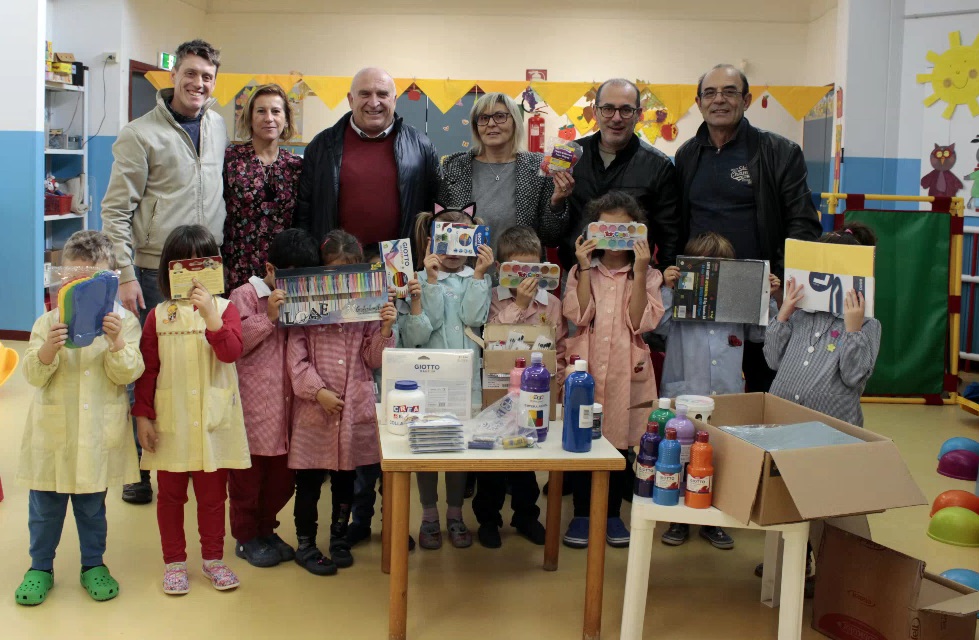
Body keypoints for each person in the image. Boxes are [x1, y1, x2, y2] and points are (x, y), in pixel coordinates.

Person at [101, 39, 228, 505]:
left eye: (207, 77)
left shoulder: (216, 125)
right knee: (151, 365)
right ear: (173, 76)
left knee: (198, 359)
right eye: (191, 74)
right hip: (154, 268)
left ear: (215, 81)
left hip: (206, 266)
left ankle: (190, 451)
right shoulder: (139, 133)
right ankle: (140, 466)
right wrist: (127, 273)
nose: (198, 83)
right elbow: (115, 211)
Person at [674, 63, 822, 393]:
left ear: (747, 100)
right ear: (698, 103)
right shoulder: (686, 155)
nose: (719, 100)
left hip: (758, 286)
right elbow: (677, 222)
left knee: (762, 384)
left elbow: (804, 224)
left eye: (729, 92)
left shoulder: (780, 152)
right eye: (709, 93)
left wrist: (781, 283)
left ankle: (758, 446)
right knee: (703, 389)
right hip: (703, 285)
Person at [15, 231, 144, 606]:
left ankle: (93, 564)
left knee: (92, 507)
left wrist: (116, 343)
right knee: (45, 506)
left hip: (96, 435)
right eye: (73, 281)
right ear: (63, 280)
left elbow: (129, 374)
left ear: (110, 281)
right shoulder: (47, 322)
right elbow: (33, 377)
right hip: (52, 433)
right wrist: (46, 351)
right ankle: (40, 566)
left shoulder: (124, 324)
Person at [133, 225, 250, 595]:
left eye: (202, 267)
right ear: (169, 271)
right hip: (171, 421)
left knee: (214, 497)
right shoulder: (157, 315)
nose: (192, 276)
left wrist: (211, 318)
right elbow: (147, 370)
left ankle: (213, 559)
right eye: (183, 267)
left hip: (213, 422)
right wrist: (142, 416)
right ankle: (174, 562)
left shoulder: (227, 309)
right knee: (169, 495)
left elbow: (231, 352)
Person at [654, 232, 780, 550]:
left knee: (721, 458)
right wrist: (669, 289)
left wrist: (769, 297)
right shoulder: (679, 298)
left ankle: (716, 520)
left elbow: (758, 334)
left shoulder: (736, 302)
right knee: (679, 455)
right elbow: (658, 326)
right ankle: (679, 520)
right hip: (685, 393)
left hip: (725, 394)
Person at [287, 231, 397, 575]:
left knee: (345, 479)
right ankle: (305, 542)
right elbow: (296, 360)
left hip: (352, 412)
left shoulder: (365, 311)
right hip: (313, 412)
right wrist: (316, 391)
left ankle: (338, 537)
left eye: (350, 274)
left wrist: (384, 329)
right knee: (307, 481)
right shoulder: (303, 311)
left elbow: (374, 358)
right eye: (333, 273)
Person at [562, 191, 664, 549]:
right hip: (585, 367)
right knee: (581, 441)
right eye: (608, 228)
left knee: (621, 445)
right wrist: (585, 266)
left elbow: (639, 322)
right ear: (594, 231)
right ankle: (582, 513)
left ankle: (611, 515)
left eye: (626, 229)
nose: (617, 237)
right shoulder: (581, 271)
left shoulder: (648, 276)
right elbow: (579, 315)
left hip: (626, 370)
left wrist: (638, 270)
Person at [400, 206, 494, 549]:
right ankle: (429, 516)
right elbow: (420, 334)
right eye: (445, 237)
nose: (454, 247)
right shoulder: (417, 280)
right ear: (430, 240)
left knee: (458, 448)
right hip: (425, 380)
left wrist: (481, 274)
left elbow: (473, 316)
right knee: (428, 448)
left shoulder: (477, 278)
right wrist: (433, 280)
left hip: (465, 382)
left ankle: (455, 514)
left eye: (463, 237)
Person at [227, 228, 320, 569]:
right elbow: (236, 344)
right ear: (269, 268)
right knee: (247, 482)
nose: (294, 285)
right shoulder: (244, 295)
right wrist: (268, 318)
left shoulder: (302, 299)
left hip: (288, 411)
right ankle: (245, 537)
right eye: (288, 277)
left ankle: (266, 529)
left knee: (282, 482)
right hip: (254, 410)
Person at [473, 226, 567, 549]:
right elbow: (490, 339)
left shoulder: (551, 304)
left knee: (528, 460)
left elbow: (561, 345)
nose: (527, 278)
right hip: (498, 391)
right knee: (493, 463)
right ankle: (488, 518)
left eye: (534, 269)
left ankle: (526, 515)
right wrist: (519, 305)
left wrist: (562, 375)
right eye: (518, 270)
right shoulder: (492, 298)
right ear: (501, 269)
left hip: (538, 394)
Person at [295, 67, 439, 246]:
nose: (374, 102)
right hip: (339, 260)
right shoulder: (322, 146)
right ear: (350, 99)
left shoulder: (421, 146)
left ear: (394, 100)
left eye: (382, 94)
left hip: (401, 262)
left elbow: (435, 207)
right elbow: (304, 210)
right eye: (365, 94)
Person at [551, 78, 679, 272]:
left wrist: (664, 279)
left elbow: (670, 234)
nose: (617, 118)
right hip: (577, 277)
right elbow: (551, 226)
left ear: (638, 115)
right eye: (608, 108)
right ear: (595, 112)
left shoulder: (658, 166)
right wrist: (556, 203)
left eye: (626, 110)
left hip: (632, 282)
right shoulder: (570, 156)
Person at [764, 223, 881, 427]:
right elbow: (773, 361)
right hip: (783, 419)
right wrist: (783, 314)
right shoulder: (800, 313)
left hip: (832, 427)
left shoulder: (867, 324)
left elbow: (853, 377)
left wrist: (853, 330)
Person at [439, 92, 568, 253]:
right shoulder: (455, 167)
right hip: (466, 274)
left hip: (520, 273)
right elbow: (442, 228)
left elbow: (550, 237)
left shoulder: (538, 168)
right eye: (483, 118)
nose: (491, 124)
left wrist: (556, 204)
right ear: (476, 126)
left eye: (500, 116)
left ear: (515, 122)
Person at [222, 84, 303, 291]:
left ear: (285, 119)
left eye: (276, 111)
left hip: (281, 269)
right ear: (249, 118)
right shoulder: (230, 159)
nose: (269, 118)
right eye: (261, 111)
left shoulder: (296, 165)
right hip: (237, 265)